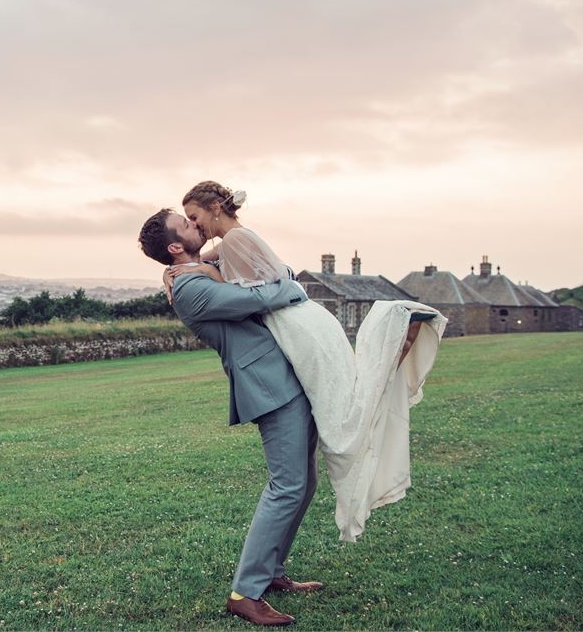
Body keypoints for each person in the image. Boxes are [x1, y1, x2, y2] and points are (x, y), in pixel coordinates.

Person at [169, 180, 447, 543]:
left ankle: (392, 342)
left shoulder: (234, 241)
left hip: (295, 325)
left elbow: (258, 291)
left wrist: (209, 274)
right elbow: (258, 270)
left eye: (194, 216)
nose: (195, 225)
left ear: (215, 208)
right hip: (304, 321)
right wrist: (181, 269)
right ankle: (390, 354)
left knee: (340, 405)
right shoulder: (233, 239)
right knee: (340, 392)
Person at [139, 208, 323, 627]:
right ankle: (245, 594)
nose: (196, 224)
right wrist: (293, 286)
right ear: (175, 246)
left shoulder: (200, 270)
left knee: (303, 482)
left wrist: (277, 275)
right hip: (268, 386)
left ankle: (272, 572)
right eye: (186, 224)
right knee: (286, 486)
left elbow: (259, 268)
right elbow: (258, 297)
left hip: (286, 375)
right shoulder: (189, 288)